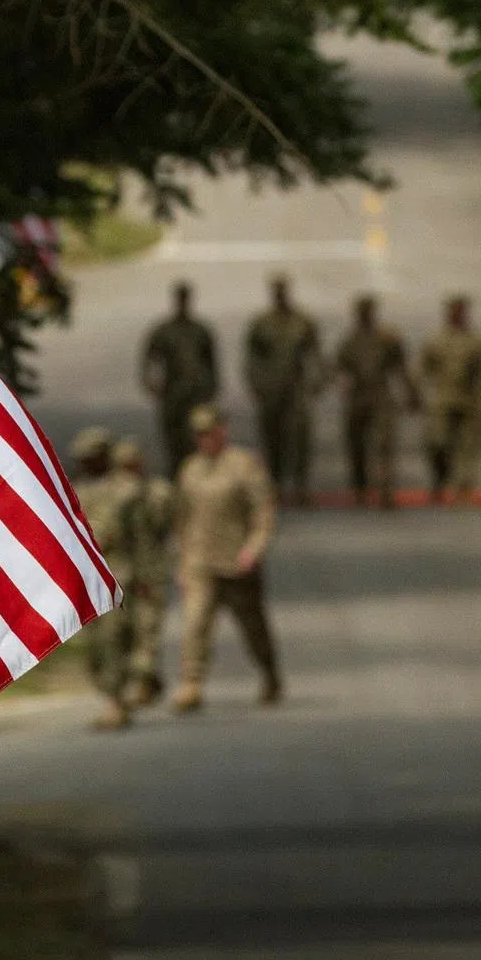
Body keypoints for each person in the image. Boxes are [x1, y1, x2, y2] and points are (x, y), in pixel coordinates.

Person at [174, 404, 282, 712]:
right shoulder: (190, 469)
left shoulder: (244, 465)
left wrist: (254, 548)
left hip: (237, 562)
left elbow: (263, 512)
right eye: (199, 434)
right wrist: (182, 563)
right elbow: (183, 520)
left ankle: (269, 672)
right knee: (195, 624)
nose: (205, 439)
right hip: (200, 561)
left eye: (210, 432)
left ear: (223, 431)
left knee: (253, 627)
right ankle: (191, 684)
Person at [69, 425, 137, 728]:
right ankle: (114, 693)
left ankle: (116, 701)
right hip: (86, 578)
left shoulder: (126, 490)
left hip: (118, 573)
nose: (85, 464)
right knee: (94, 646)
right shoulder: (78, 491)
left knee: (113, 640)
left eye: (90, 458)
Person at [243, 274, 325, 506]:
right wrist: (255, 384)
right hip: (270, 390)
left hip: (295, 389)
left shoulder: (302, 321)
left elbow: (316, 353)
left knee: (300, 436)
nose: (280, 295)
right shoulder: (261, 323)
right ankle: (275, 484)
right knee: (272, 437)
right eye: (276, 291)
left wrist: (318, 380)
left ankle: (301, 485)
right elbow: (251, 357)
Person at [333, 294, 420, 508]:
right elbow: (338, 368)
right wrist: (340, 383)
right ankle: (360, 489)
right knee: (356, 445)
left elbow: (400, 367)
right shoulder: (349, 341)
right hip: (357, 395)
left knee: (385, 444)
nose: (364, 315)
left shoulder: (387, 339)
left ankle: (385, 492)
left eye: (367, 311)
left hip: (380, 394)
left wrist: (412, 393)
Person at [112, 438, 175, 707]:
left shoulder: (157, 491)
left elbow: (165, 523)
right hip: (124, 571)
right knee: (127, 630)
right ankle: (147, 679)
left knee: (148, 628)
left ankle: (142, 681)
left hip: (151, 570)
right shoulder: (112, 492)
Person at [419, 296, 481, 502]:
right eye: (454, 310)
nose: (457, 314)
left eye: (461, 311)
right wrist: (416, 395)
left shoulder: (477, 341)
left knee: (468, 445)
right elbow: (422, 369)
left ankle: (464, 486)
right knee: (437, 442)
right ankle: (440, 478)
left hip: (470, 400)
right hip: (443, 399)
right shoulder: (435, 340)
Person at [141, 282, 219, 478]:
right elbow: (149, 356)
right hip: (173, 393)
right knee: (173, 440)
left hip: (196, 393)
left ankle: (196, 478)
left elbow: (211, 361)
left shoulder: (199, 330)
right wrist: (150, 382)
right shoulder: (165, 331)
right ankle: (176, 476)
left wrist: (211, 387)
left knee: (197, 436)